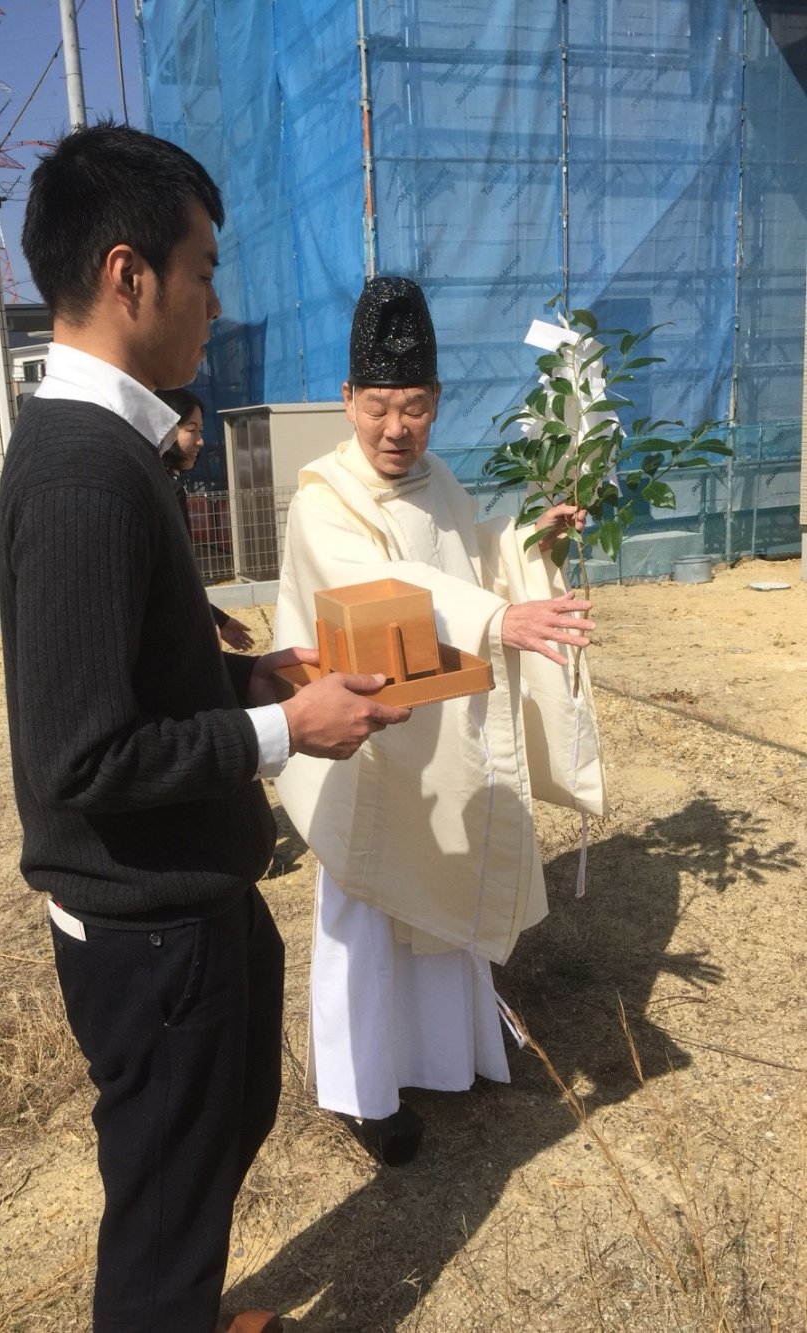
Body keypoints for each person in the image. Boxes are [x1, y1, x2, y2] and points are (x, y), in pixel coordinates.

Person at [0, 125, 411, 1333]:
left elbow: (137, 672)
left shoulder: (114, 451)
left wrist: (249, 676)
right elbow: (83, 756)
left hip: (184, 902)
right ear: (131, 277)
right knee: (166, 1191)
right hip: (148, 929)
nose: (215, 302)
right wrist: (288, 731)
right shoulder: (82, 475)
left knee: (205, 1143)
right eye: (204, 270)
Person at [273, 276, 608, 1166]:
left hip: (437, 731)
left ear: (436, 405)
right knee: (367, 915)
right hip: (364, 749)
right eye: (380, 406)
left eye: (415, 407)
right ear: (347, 402)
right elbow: (386, 589)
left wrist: (528, 537)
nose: (396, 427)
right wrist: (498, 620)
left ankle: (448, 1058)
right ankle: (364, 1093)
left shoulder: (439, 481)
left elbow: (465, 550)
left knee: (440, 895)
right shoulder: (324, 503)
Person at [156, 386, 254, 650]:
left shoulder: (154, 480)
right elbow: (177, 575)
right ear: (163, 428)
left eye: (200, 430)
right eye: (191, 430)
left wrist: (218, 618)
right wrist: (206, 621)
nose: (200, 440)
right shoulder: (166, 489)